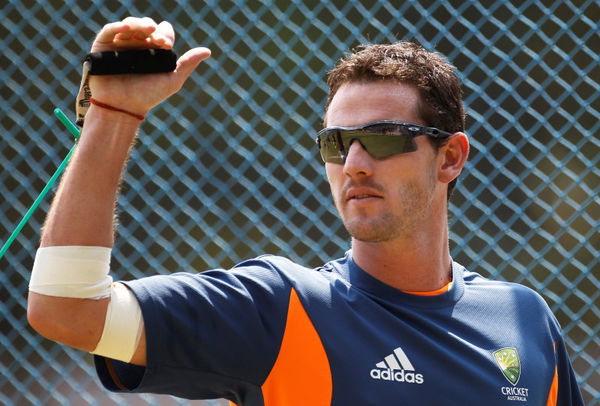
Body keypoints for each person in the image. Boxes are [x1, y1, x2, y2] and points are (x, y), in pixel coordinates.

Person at [27, 17, 584, 405]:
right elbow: (65, 308)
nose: (356, 164)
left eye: (385, 137)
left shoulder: (524, 321)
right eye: (336, 144)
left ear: (450, 158)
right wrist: (113, 115)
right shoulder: (278, 308)